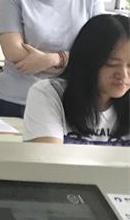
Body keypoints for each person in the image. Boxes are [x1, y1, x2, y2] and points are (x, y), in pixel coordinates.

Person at [23, 14, 129, 145]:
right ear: (88, 59)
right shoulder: (49, 94)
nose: (123, 75)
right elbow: (49, 156)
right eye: (112, 63)